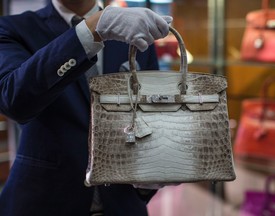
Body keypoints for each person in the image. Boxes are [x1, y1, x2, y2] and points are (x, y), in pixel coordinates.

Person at [0, 0, 172, 215]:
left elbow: (153, 114)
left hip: (124, 203)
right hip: (44, 201)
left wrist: (154, 172)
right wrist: (92, 29)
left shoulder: (136, 32)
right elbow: (14, 101)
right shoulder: (13, 28)